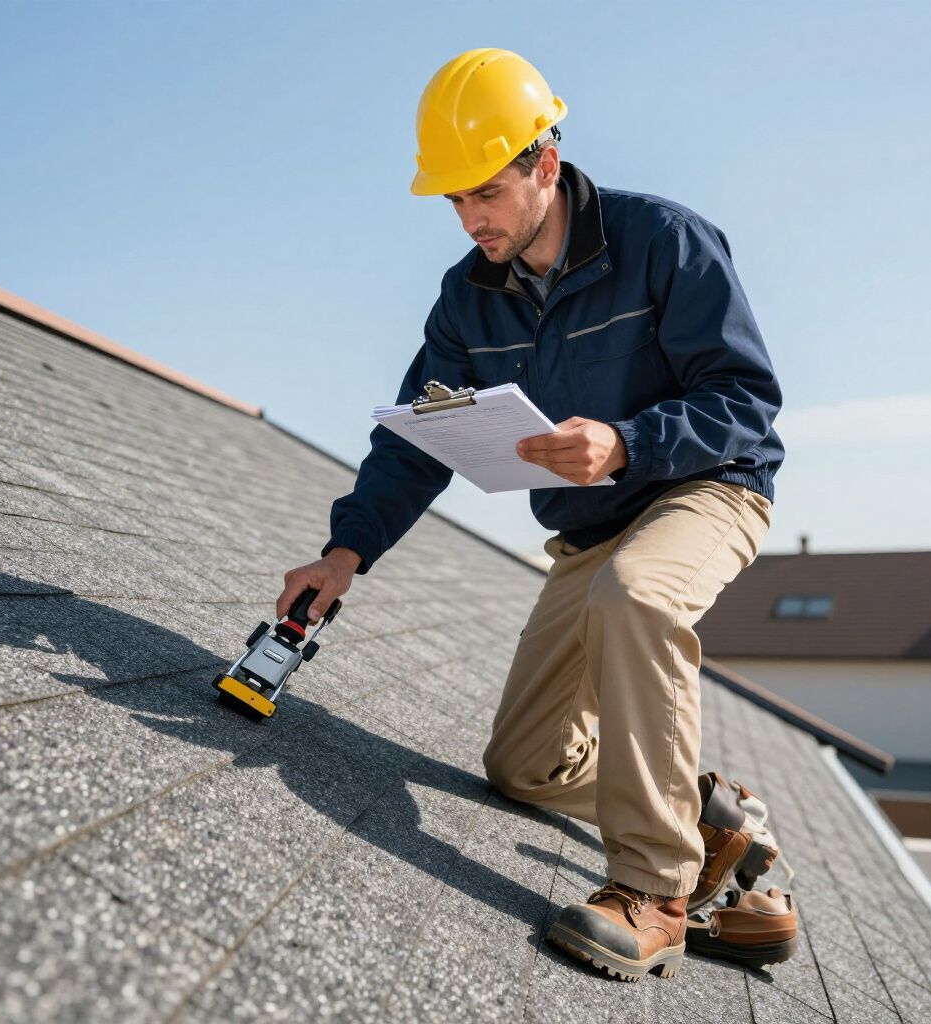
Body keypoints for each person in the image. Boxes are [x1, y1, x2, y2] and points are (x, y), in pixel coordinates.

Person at [276, 48, 784, 982]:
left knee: (636, 597)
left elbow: (746, 399)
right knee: (522, 767)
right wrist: (343, 553)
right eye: (454, 201)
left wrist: (628, 443)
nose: (471, 220)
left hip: (706, 489)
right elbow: (416, 437)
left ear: (544, 164)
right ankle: (699, 815)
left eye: (487, 193)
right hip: (592, 526)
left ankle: (657, 890)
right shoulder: (467, 298)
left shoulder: (664, 241)